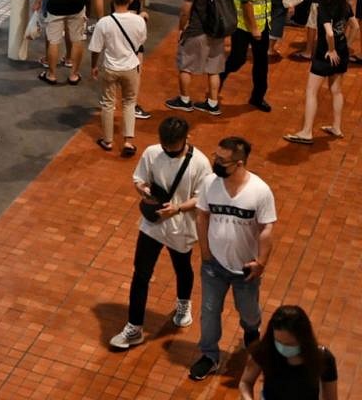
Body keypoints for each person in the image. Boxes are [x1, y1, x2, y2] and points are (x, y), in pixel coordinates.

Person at [109, 117, 212, 350]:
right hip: (152, 225)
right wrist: (143, 190)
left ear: (186, 139)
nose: (168, 151)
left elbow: (203, 198)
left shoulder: (201, 163)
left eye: (173, 149)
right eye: (165, 147)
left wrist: (178, 208)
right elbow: (139, 179)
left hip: (180, 228)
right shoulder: (152, 152)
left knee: (182, 268)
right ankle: (134, 327)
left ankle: (184, 303)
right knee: (141, 274)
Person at [189, 136, 277, 382]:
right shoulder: (210, 183)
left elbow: (266, 229)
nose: (215, 163)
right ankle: (209, 355)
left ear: (239, 164)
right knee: (209, 311)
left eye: (221, 160)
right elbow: (202, 216)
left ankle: (251, 330)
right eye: (215, 156)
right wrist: (205, 253)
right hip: (213, 266)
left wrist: (261, 263)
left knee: (248, 312)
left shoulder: (260, 191)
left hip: (245, 269)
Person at [285, 0, 356, 143]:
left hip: (325, 55)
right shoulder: (345, 6)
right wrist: (345, 45)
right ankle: (337, 127)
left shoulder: (324, 7)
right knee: (336, 90)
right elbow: (355, 26)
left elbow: (329, 32)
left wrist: (331, 50)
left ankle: (307, 131)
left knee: (311, 91)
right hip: (342, 53)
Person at [166, 0, 228, 115]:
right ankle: (213, 103)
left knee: (186, 65)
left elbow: (185, 11)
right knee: (214, 68)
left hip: (197, 31)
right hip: (217, 31)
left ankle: (184, 100)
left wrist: (181, 28)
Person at [89, 0, 147, 155]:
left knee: (108, 103)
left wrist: (93, 66)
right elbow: (140, 42)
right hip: (131, 67)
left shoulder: (104, 23)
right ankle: (128, 142)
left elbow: (96, 49)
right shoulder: (139, 21)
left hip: (110, 68)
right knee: (129, 102)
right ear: (130, 0)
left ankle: (108, 141)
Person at [239, 305, 339, 400]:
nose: (283, 347)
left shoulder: (323, 358)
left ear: (304, 339)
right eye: (279, 341)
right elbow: (245, 382)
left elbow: (331, 398)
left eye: (290, 344)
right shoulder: (266, 350)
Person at [221, 0, 274, 112]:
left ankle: (257, 97)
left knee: (261, 63)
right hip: (244, 28)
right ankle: (218, 78)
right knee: (237, 60)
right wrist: (254, 29)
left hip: (263, 24)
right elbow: (247, 4)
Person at [112, 0, 150, 120]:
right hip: (132, 42)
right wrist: (143, 16)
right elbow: (131, 21)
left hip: (116, 40)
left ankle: (110, 102)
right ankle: (132, 105)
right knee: (135, 74)